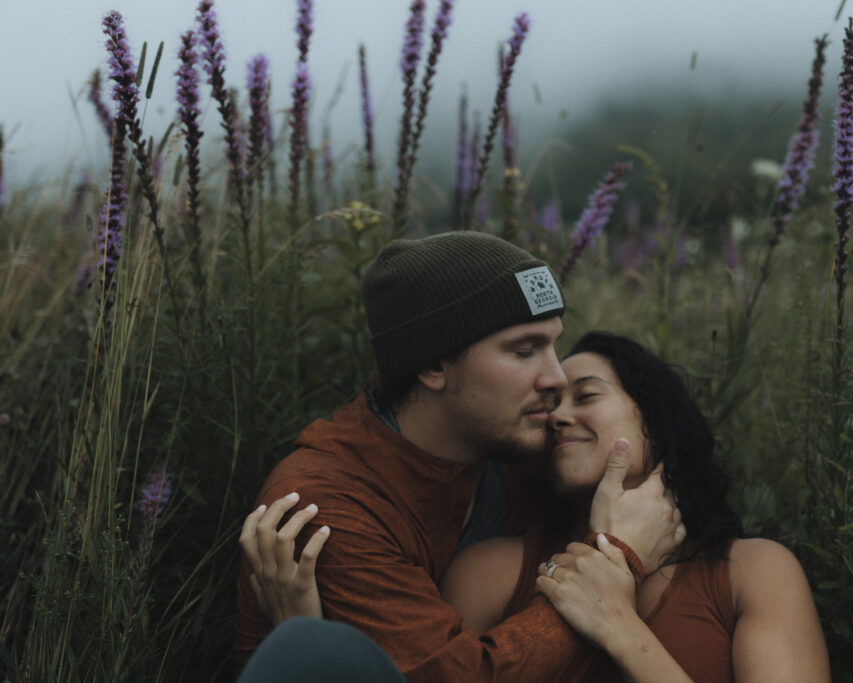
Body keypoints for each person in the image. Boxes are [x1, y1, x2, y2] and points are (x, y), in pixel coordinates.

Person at [247, 331, 831, 682]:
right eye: (551, 405)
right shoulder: (497, 569)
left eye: (588, 396)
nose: (558, 414)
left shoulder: (752, 571)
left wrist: (619, 624)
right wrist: (304, 638)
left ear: (656, 418)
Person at [234, 233, 683, 682]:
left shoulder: (521, 445)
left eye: (554, 346)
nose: (555, 377)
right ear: (433, 366)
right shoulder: (328, 507)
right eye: (524, 351)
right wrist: (614, 562)